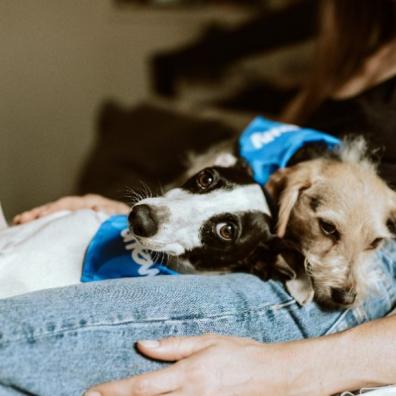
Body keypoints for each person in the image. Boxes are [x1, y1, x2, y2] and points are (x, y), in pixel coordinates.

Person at [4, 1, 396, 395]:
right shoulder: (350, 53)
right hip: (261, 251)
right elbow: (251, 177)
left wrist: (287, 370)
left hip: (318, 288)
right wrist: (148, 218)